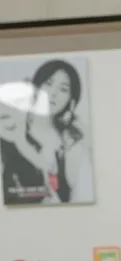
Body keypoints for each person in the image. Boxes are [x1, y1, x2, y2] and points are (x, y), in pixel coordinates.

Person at [0, 59, 93, 204]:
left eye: (63, 89)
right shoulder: (11, 126)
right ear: (36, 86)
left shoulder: (71, 142)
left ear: (71, 101)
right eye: (48, 84)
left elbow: (80, 195)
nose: (53, 93)